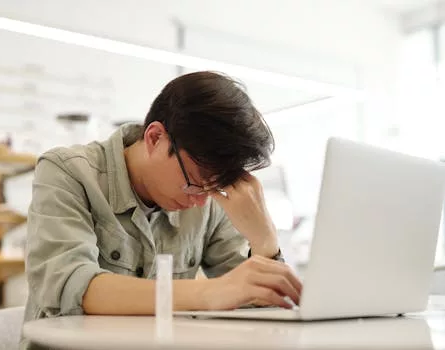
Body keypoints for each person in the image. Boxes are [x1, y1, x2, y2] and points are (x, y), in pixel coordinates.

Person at [20, 71, 302, 349]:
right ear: (155, 138)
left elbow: (256, 303)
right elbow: (70, 288)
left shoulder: (205, 197)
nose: (201, 201)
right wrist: (211, 292)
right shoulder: (68, 171)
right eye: (194, 182)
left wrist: (265, 241)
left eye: (212, 188)